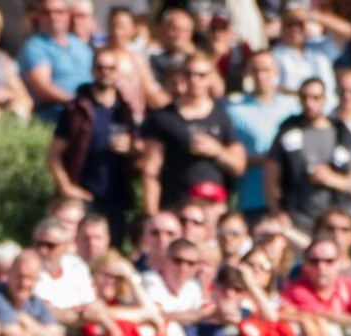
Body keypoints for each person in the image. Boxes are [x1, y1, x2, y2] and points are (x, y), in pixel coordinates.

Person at [47, 47, 137, 244]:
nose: (105, 72)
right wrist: (66, 187)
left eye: (111, 68)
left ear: (118, 72)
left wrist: (130, 149)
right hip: (82, 197)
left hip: (116, 198)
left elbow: (140, 151)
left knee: (111, 250)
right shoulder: (77, 109)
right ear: (92, 70)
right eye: (100, 67)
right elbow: (54, 154)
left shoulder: (125, 111)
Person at [140, 51, 245, 214]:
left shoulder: (222, 116)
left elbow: (239, 166)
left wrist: (217, 151)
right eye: (189, 74)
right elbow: (151, 170)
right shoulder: (163, 117)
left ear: (211, 78)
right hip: (175, 206)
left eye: (201, 75)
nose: (194, 80)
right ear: (182, 76)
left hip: (213, 209)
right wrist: (152, 213)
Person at [264, 76, 351, 233]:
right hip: (297, 220)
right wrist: (278, 213)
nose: (310, 103)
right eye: (305, 98)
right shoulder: (287, 131)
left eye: (315, 98)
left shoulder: (342, 134)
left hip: (332, 224)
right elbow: (270, 180)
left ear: (325, 99)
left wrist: (331, 179)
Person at [224, 50, 299, 224]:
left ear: (276, 72)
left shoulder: (292, 107)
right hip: (252, 198)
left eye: (266, 70)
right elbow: (232, 155)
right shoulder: (235, 111)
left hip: (289, 199)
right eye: (255, 70)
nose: (261, 76)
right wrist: (268, 161)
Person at [18, 0, 94, 123]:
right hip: (59, 113)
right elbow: (43, 89)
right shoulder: (35, 46)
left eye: (59, 12)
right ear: (38, 16)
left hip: (89, 108)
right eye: (46, 12)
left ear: (68, 14)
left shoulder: (79, 45)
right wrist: (77, 102)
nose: (53, 17)